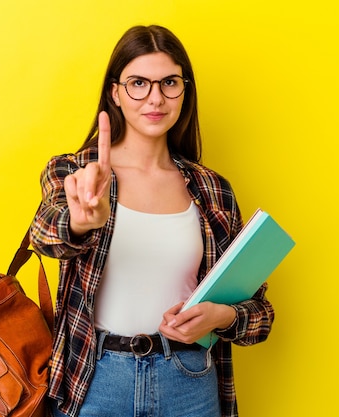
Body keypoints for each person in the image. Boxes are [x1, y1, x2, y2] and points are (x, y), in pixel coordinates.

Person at [29, 25, 274, 417]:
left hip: (188, 380)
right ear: (115, 93)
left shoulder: (212, 190)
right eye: (138, 83)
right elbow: (44, 236)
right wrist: (79, 222)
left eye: (169, 83)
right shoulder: (76, 171)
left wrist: (222, 316)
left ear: (184, 90)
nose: (155, 98)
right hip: (95, 380)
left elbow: (260, 313)